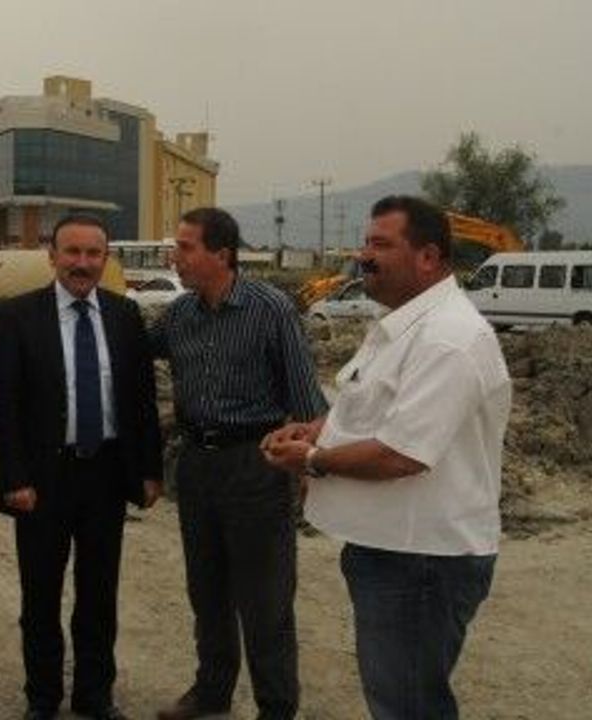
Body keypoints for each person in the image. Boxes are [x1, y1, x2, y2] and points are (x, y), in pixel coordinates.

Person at [262, 195, 511, 719]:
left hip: (421, 559)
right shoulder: (402, 325)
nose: (364, 256)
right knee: (397, 698)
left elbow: (402, 454)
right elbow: (371, 409)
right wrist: (316, 430)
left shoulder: (448, 338)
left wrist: (314, 458)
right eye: (365, 243)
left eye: (380, 244)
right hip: (393, 549)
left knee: (408, 706)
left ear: (428, 256)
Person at [151, 207, 326, 720]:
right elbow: (130, 352)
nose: (175, 257)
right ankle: (212, 692)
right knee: (206, 590)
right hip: (196, 466)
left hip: (256, 465)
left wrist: (309, 466)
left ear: (221, 254)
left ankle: (276, 706)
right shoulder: (179, 316)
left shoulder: (271, 310)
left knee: (265, 599)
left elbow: (307, 401)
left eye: (185, 248)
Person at [0, 214, 163, 720]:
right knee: (40, 595)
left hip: (105, 474)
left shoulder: (124, 315)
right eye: (72, 252)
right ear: (52, 256)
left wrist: (149, 470)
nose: (82, 263)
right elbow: (4, 406)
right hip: (44, 478)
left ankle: (94, 694)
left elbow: (142, 401)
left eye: (93, 254)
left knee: (99, 594)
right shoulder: (18, 316)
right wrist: (14, 478)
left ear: (105, 259)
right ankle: (42, 697)